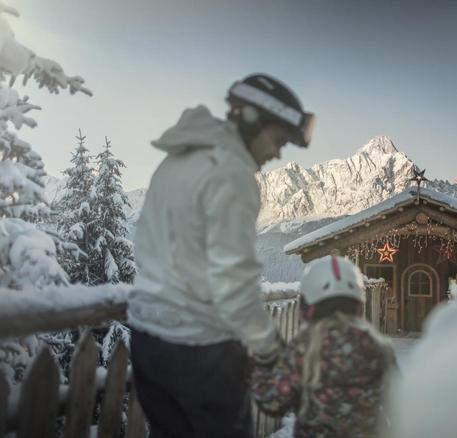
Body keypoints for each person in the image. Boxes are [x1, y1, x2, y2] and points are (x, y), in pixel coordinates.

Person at [127, 74, 316, 437]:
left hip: (147, 340)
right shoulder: (232, 175)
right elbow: (234, 284)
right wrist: (268, 346)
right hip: (200, 350)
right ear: (249, 121)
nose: (277, 153)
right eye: (278, 140)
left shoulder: (178, 159)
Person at [251, 255, 398, 437]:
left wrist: (262, 361)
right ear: (359, 305)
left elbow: (272, 402)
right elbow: (399, 405)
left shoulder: (305, 346)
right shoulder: (378, 346)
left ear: (308, 307)